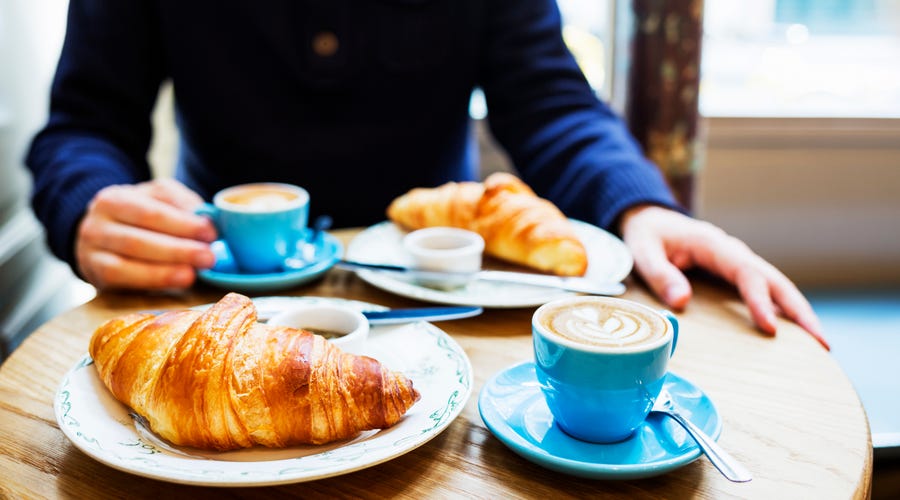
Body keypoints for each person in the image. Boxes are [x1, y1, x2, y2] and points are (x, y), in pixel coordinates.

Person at [26, 0, 826, 349]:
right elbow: (85, 126)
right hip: (220, 298)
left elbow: (546, 97)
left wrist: (639, 203)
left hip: (451, 309)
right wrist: (90, 203)